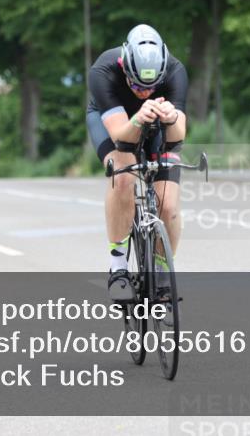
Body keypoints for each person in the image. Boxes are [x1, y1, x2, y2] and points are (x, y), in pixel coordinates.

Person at [86, 24, 188, 299]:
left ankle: (162, 267)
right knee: (123, 177)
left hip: (156, 121)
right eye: (135, 85)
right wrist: (139, 117)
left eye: (151, 87)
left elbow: (179, 135)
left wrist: (172, 118)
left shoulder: (176, 71)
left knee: (168, 206)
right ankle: (118, 267)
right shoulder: (102, 71)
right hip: (113, 120)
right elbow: (121, 136)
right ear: (124, 65)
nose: (143, 92)